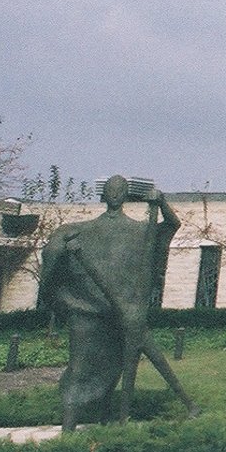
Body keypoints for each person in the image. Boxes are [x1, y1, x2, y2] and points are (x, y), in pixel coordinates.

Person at [38, 175, 182, 430]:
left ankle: (105, 419)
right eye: (110, 190)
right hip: (88, 312)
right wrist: (56, 250)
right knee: (79, 366)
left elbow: (171, 225)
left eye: (120, 190)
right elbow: (53, 252)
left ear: (126, 195)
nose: (115, 194)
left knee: (113, 367)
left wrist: (161, 203)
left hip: (122, 314)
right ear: (104, 194)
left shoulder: (141, 231)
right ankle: (68, 429)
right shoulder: (81, 230)